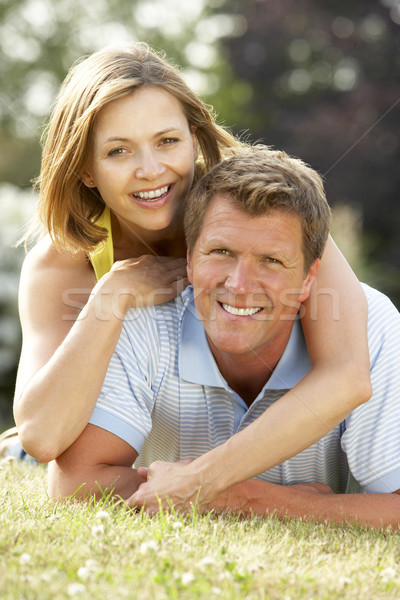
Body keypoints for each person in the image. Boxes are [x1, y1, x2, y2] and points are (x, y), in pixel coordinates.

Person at [12, 43, 370, 493]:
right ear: (86, 170)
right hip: (102, 434)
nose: (150, 169)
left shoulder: (260, 207)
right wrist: (113, 293)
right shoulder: (63, 262)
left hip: (199, 444)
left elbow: (348, 376)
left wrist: (211, 483)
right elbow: (44, 436)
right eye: (119, 151)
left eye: (167, 141)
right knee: (27, 448)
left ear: (194, 137)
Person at [49, 147, 400, 529]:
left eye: (272, 260)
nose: (239, 285)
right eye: (220, 251)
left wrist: (246, 497)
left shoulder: (370, 326)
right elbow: (75, 484)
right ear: (189, 259)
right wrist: (283, 500)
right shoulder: (142, 321)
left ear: (310, 278)